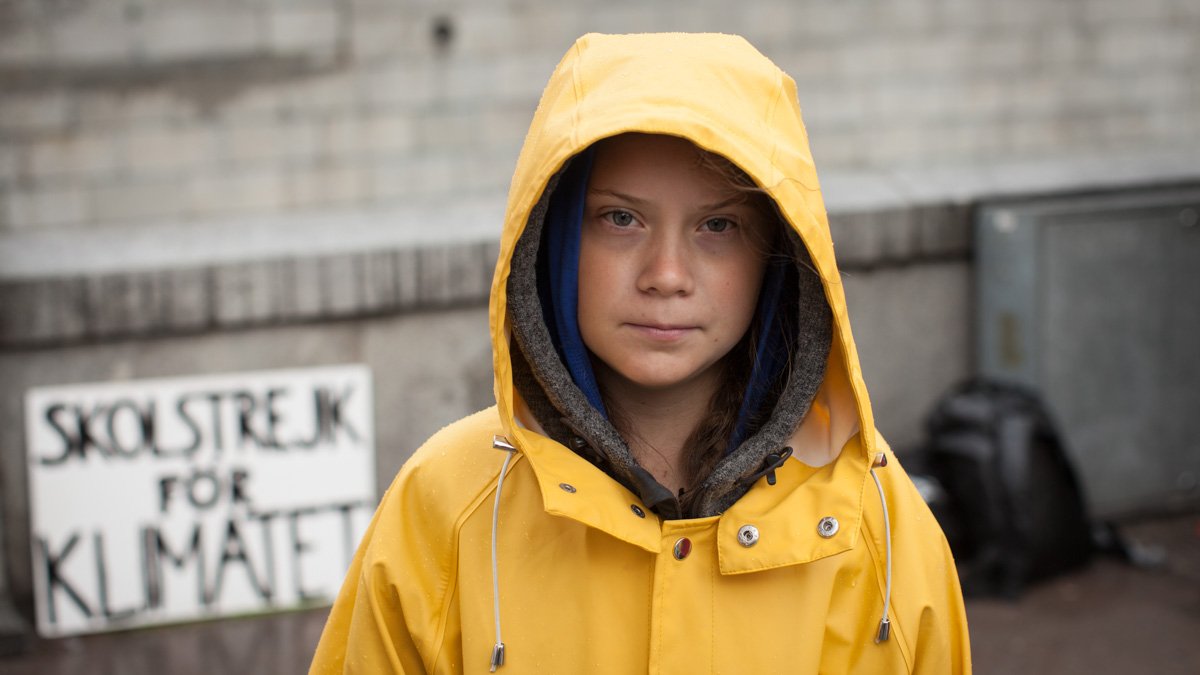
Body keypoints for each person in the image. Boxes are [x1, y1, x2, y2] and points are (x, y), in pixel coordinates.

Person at [311, 32, 971, 674]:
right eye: (620, 219)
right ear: (556, 238)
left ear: (778, 258)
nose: (666, 273)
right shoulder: (447, 505)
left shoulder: (873, 518)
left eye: (718, 226)